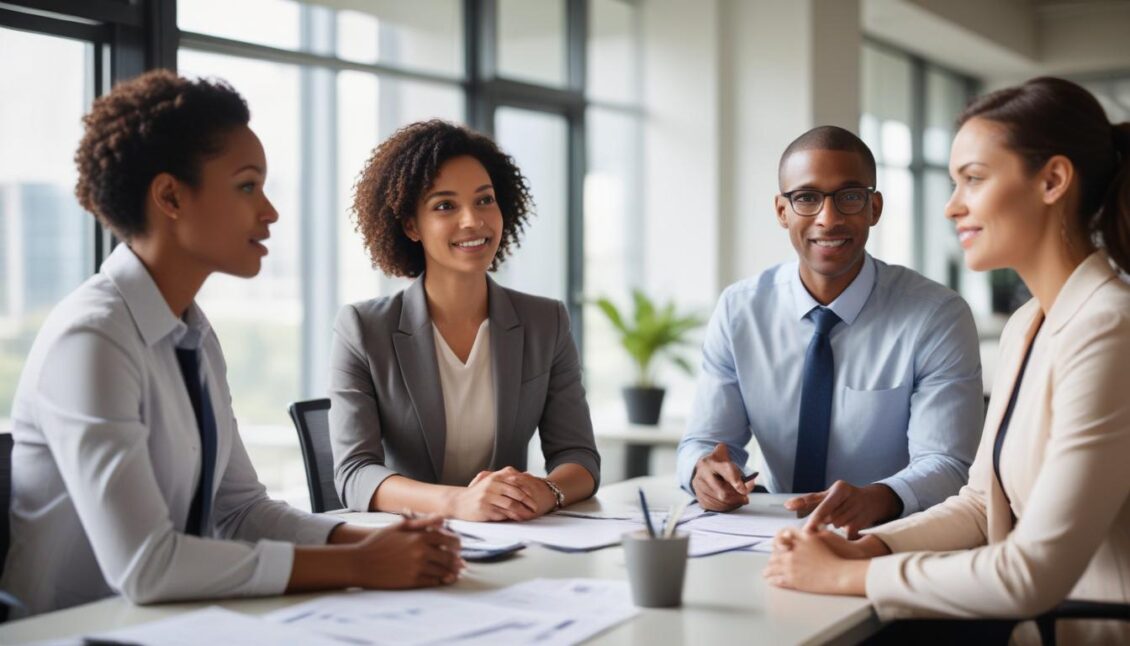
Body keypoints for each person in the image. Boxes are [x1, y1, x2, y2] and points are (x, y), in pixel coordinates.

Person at [0, 71, 460, 619]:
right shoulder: (92, 339)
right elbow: (148, 567)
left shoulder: (191, 333)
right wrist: (359, 565)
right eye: (247, 186)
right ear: (170, 196)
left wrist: (373, 543)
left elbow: (241, 511)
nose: (270, 211)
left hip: (175, 622)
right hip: (71, 630)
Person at [764, 77, 1130, 644]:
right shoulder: (1028, 324)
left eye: (974, 179)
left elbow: (1032, 574)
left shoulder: (1110, 328)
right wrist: (868, 546)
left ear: (1053, 180)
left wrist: (848, 575)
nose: (952, 205)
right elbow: (982, 504)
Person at [677, 126, 984, 537]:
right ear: (782, 211)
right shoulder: (740, 310)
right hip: (772, 535)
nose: (829, 218)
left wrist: (876, 498)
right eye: (806, 198)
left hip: (891, 537)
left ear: (874, 208)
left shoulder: (936, 316)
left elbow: (948, 464)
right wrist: (702, 472)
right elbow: (704, 442)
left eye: (850, 196)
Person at [328, 120, 600, 522]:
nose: (473, 220)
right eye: (445, 206)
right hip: (410, 539)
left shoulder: (547, 322)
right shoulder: (363, 329)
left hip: (511, 535)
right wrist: (457, 502)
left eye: (485, 200)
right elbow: (355, 473)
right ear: (411, 225)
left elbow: (579, 456)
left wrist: (547, 491)